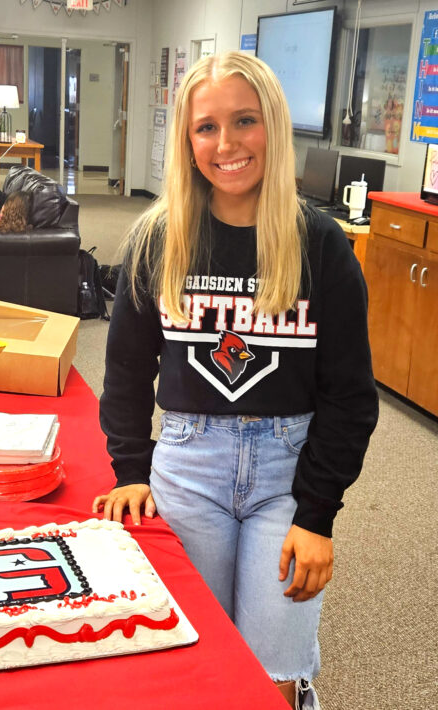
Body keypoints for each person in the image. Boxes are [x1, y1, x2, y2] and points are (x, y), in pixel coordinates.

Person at [92, 51, 378, 710]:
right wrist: (130, 469)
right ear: (187, 141)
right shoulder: (157, 239)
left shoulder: (321, 244)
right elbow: (127, 370)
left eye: (244, 120)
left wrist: (317, 514)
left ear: (273, 126)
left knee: (273, 674)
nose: (226, 144)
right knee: (192, 657)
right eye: (206, 127)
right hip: (187, 467)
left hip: (289, 474)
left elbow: (351, 398)